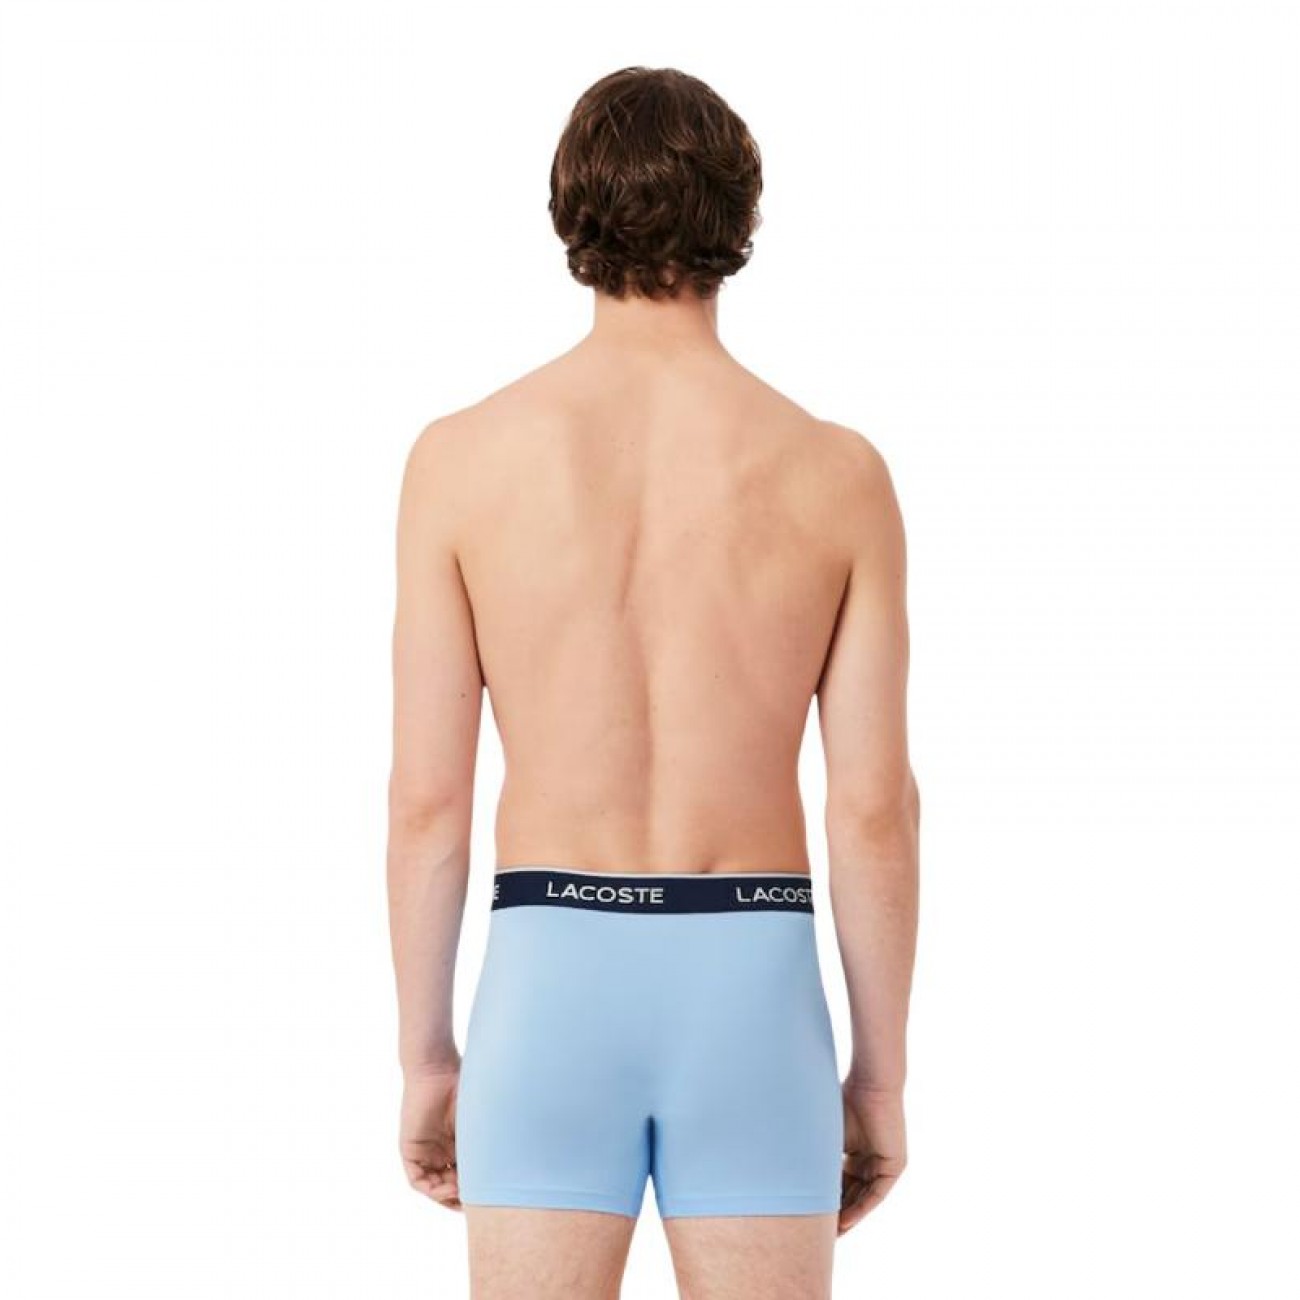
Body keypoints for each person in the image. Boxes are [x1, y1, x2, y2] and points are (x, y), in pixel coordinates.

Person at [386, 65, 920, 1300]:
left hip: (546, 980)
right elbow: (872, 810)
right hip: (752, 989)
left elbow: (426, 803)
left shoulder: (459, 462)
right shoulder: (837, 475)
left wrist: (426, 1058)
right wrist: (879, 1078)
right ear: (740, 215)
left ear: (568, 209)